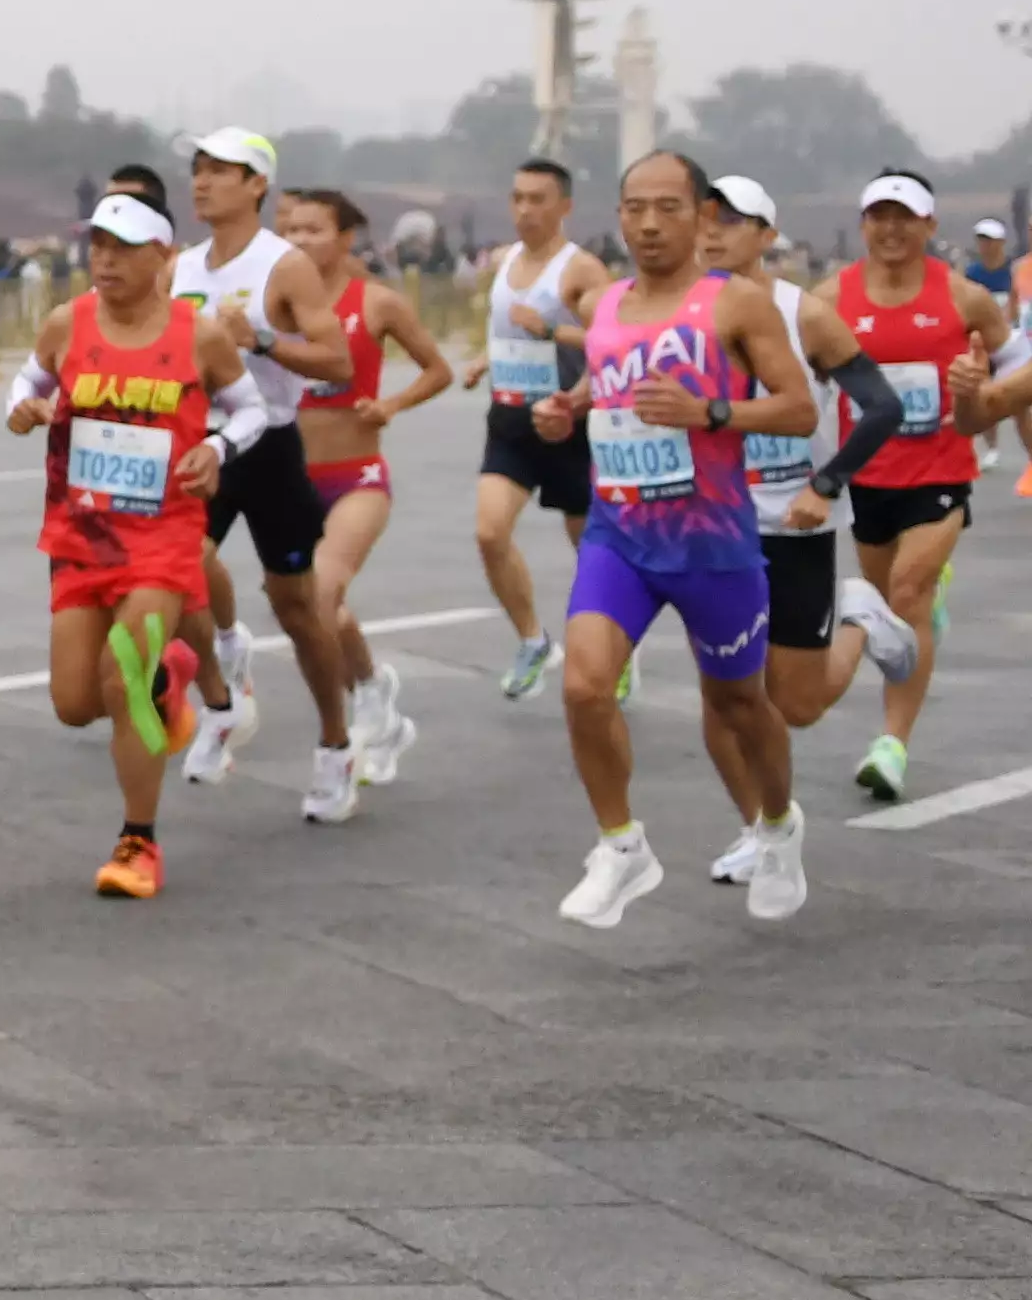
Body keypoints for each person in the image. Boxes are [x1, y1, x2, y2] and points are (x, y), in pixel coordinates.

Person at [535, 152, 820, 925]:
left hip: (712, 544)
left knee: (739, 704)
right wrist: (568, 407)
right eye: (635, 207)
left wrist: (712, 415)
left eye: (668, 206)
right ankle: (622, 848)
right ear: (619, 214)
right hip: (619, 533)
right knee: (584, 686)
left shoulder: (736, 305)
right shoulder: (604, 302)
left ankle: (777, 825)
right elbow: (610, 386)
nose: (649, 223)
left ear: (702, 217)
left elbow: (800, 409)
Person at [4, 196, 260, 897]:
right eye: (97, 246)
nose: (106, 260)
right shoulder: (68, 322)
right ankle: (173, 678)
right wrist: (23, 409)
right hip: (80, 533)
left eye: (122, 247)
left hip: (163, 533)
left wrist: (216, 446)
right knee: (74, 702)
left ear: (163, 257)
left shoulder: (198, 334)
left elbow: (252, 409)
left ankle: (138, 840)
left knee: (123, 676)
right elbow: (27, 382)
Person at [696, 177, 917, 881]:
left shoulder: (805, 315)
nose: (712, 234)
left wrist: (825, 485)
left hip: (794, 524)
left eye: (732, 222)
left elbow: (881, 407)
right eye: (706, 220)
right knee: (723, 692)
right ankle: (757, 830)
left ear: (767, 235)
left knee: (796, 705)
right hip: (714, 528)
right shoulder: (681, 313)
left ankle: (857, 615)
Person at [167, 128, 368, 818]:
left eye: (220, 170)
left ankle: (336, 746)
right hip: (203, 444)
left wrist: (261, 340)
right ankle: (222, 699)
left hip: (271, 446)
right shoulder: (181, 266)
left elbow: (337, 360)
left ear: (257, 184)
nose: (202, 182)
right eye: (197, 169)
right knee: (175, 575)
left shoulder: (284, 265)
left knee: (301, 609)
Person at [826, 171, 1010, 805]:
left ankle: (892, 744)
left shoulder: (964, 299)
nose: (892, 228)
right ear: (863, 224)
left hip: (939, 473)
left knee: (907, 591)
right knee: (883, 600)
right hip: (866, 480)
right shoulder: (831, 299)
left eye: (905, 216)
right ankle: (923, 602)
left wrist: (977, 389)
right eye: (879, 215)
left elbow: (1010, 377)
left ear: (931, 226)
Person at [272, 184, 455, 793]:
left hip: (357, 477)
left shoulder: (375, 303)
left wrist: (394, 402)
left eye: (314, 230)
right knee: (317, 605)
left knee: (321, 596)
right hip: (291, 480)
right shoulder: (274, 303)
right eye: (292, 230)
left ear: (345, 238)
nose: (300, 241)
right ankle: (375, 691)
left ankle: (345, 736)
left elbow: (439, 368)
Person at [472, 158, 608, 697]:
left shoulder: (582, 270)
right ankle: (533, 641)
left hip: (567, 422)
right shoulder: (505, 262)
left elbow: (612, 347)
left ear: (565, 206)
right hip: (509, 420)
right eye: (518, 198)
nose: (526, 210)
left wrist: (554, 331)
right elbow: (507, 330)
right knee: (489, 532)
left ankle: (619, 646)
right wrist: (487, 361)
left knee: (591, 550)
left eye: (538, 199)